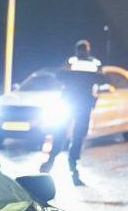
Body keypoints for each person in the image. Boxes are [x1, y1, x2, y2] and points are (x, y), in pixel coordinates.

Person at [40, 39, 102, 186]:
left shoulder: (71, 61)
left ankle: (52, 164)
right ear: (88, 50)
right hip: (82, 104)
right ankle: (70, 168)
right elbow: (101, 78)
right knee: (75, 137)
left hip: (71, 102)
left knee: (63, 134)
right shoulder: (94, 63)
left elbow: (59, 76)